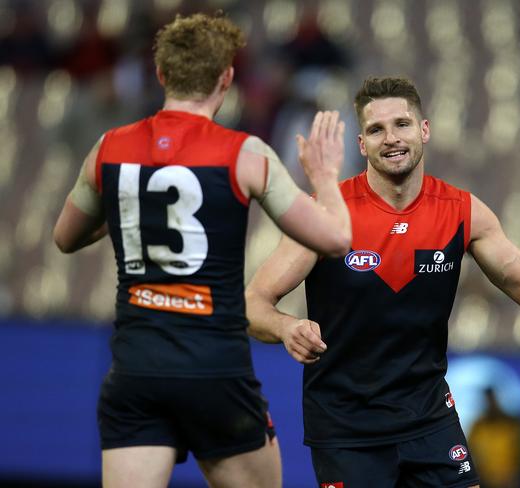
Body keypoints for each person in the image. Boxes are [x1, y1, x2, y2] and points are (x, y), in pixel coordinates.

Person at [53, 12, 352, 488]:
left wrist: (135, 208)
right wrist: (324, 177)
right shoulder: (245, 153)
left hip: (136, 372)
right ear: (227, 77)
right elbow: (336, 238)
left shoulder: (110, 146)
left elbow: (65, 237)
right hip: (216, 372)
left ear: (161, 73)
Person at [246, 76, 520, 488]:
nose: (391, 138)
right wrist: (287, 326)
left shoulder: (463, 212)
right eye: (376, 129)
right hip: (347, 429)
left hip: (429, 419)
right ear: (361, 144)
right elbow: (253, 303)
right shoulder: (326, 213)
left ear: (424, 130)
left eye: (402, 124)